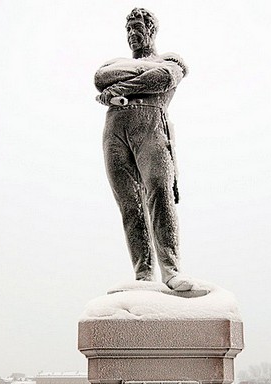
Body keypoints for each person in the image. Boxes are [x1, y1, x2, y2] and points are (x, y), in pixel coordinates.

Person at [95, 8, 194, 291]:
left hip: (151, 127)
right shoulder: (114, 62)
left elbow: (164, 78)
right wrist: (140, 76)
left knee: (159, 195)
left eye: (137, 27)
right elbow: (100, 78)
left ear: (151, 30)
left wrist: (120, 89)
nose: (132, 34)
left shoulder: (170, 60)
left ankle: (172, 271)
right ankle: (143, 274)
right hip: (115, 132)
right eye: (128, 29)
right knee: (129, 204)